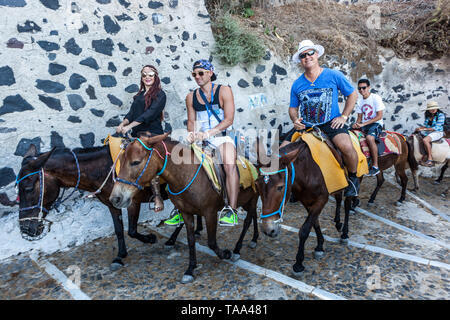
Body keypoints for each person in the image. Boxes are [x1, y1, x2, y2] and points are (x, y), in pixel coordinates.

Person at [164, 59, 239, 226]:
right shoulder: (191, 97)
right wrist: (191, 134)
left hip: (221, 136)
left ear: (210, 73)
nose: (197, 77)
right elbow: (191, 121)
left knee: (229, 164)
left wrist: (208, 133)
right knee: (179, 164)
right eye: (194, 74)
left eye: (200, 73)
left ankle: (231, 210)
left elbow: (229, 119)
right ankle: (179, 208)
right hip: (200, 138)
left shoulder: (224, 90)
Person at [282, 39, 360, 197]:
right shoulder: (297, 84)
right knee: (281, 152)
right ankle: (291, 186)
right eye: (303, 55)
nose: (307, 57)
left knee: (346, 147)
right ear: (300, 60)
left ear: (317, 54)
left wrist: (344, 116)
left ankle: (353, 179)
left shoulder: (333, 75)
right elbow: (292, 108)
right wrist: (295, 120)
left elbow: (352, 94)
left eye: (310, 53)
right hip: (307, 125)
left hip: (331, 123)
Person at [116, 64, 166, 211]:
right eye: (144, 75)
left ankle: (157, 197)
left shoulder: (160, 95)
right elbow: (131, 114)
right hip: (138, 136)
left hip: (152, 135)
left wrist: (129, 127)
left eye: (150, 74)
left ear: (155, 76)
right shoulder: (139, 96)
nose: (147, 77)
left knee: (150, 163)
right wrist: (122, 123)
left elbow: (149, 114)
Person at [352, 79, 386, 176]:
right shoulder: (359, 101)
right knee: (352, 135)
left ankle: (375, 166)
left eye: (364, 88)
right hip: (365, 124)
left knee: (369, 138)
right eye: (359, 88)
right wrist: (356, 124)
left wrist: (363, 124)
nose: (362, 90)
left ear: (369, 87)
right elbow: (359, 118)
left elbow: (379, 116)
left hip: (376, 124)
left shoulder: (375, 98)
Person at [414, 100, 445, 167]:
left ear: (437, 108)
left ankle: (430, 159)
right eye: (431, 109)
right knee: (416, 137)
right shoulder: (428, 116)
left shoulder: (441, 115)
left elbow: (436, 127)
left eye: (434, 108)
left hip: (438, 132)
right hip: (429, 132)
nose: (433, 109)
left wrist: (424, 129)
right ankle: (422, 155)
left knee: (425, 140)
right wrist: (419, 128)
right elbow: (426, 126)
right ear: (428, 110)